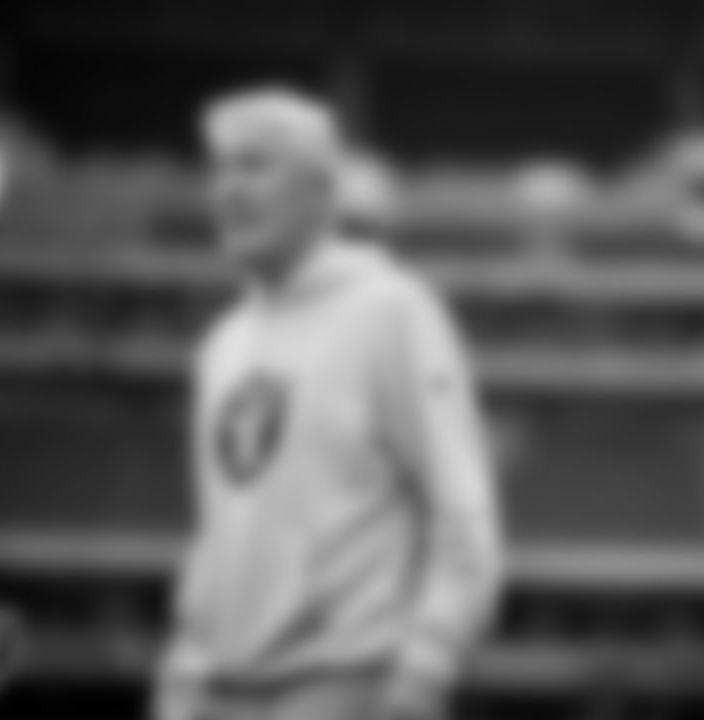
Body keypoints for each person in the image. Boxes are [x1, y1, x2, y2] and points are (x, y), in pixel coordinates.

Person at [156, 86, 504, 720]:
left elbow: (462, 507)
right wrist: (182, 671)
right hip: (218, 689)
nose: (228, 190)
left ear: (319, 192)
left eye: (254, 166)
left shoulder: (391, 311)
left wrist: (429, 662)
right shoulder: (222, 345)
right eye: (220, 169)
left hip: (346, 683)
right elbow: (218, 533)